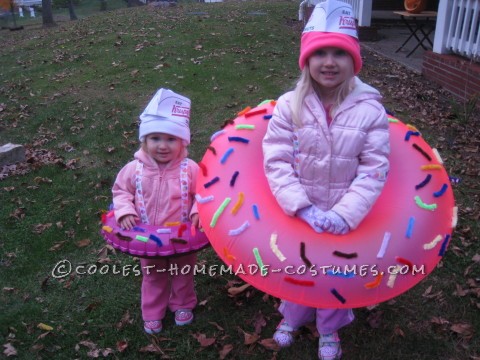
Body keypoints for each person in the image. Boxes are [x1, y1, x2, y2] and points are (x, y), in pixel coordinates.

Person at [262, 1, 390, 359]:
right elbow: (276, 160)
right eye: (320, 53)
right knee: (297, 265)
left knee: (335, 273)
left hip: (343, 212)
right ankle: (292, 316)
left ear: (354, 60)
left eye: (339, 53)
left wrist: (345, 214)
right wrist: (299, 206)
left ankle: (329, 329)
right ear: (306, 60)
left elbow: (374, 168)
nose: (329, 62)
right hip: (300, 209)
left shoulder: (370, 110)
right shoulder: (290, 106)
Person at [112, 88, 200, 334]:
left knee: (183, 273)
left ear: (182, 141)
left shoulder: (190, 168)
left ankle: (182, 303)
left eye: (171, 139)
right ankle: (152, 312)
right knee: (153, 276)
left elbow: (204, 193)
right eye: (155, 138)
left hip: (183, 236)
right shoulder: (133, 169)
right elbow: (120, 192)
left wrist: (198, 210)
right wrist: (125, 211)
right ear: (145, 140)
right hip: (147, 238)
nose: (163, 146)